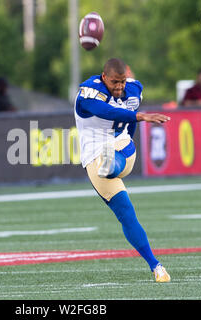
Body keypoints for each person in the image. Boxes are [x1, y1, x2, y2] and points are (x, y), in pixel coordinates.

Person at [74, 58, 171, 283]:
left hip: (122, 150)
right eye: (115, 82)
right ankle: (156, 266)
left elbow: (131, 112)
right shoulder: (89, 92)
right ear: (104, 77)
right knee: (126, 214)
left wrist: (132, 126)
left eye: (122, 82)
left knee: (114, 147)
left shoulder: (133, 88)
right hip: (94, 158)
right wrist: (140, 116)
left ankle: (111, 165)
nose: (119, 87)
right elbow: (106, 111)